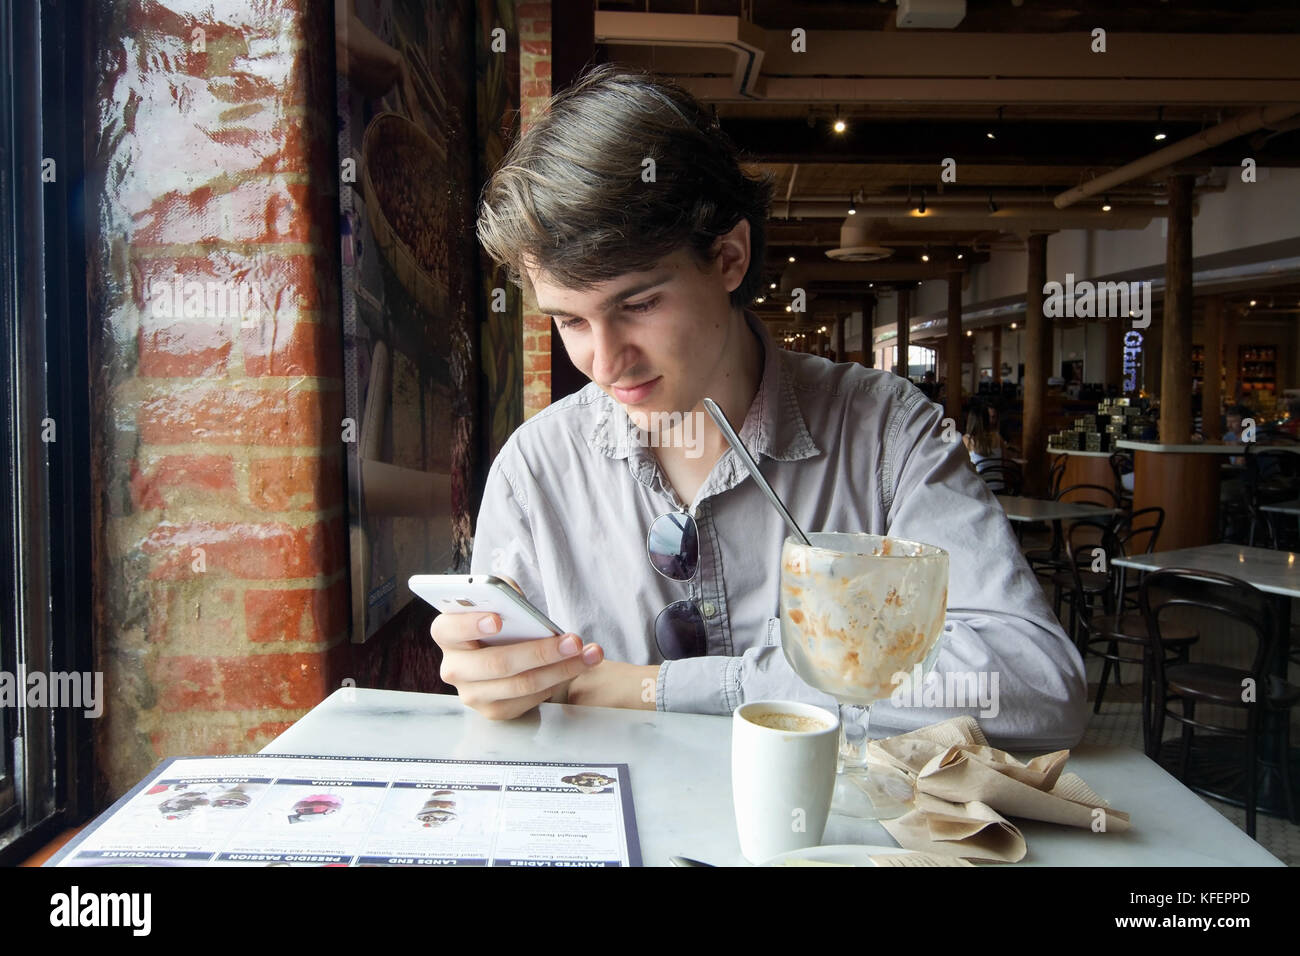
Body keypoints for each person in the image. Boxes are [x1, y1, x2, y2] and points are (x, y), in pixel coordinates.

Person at [433, 64, 1087, 750]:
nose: (605, 361)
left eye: (640, 304)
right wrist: (491, 674)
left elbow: (1033, 685)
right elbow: (508, 696)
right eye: (570, 321)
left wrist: (659, 688)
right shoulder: (537, 470)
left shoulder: (886, 434)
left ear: (730, 257)